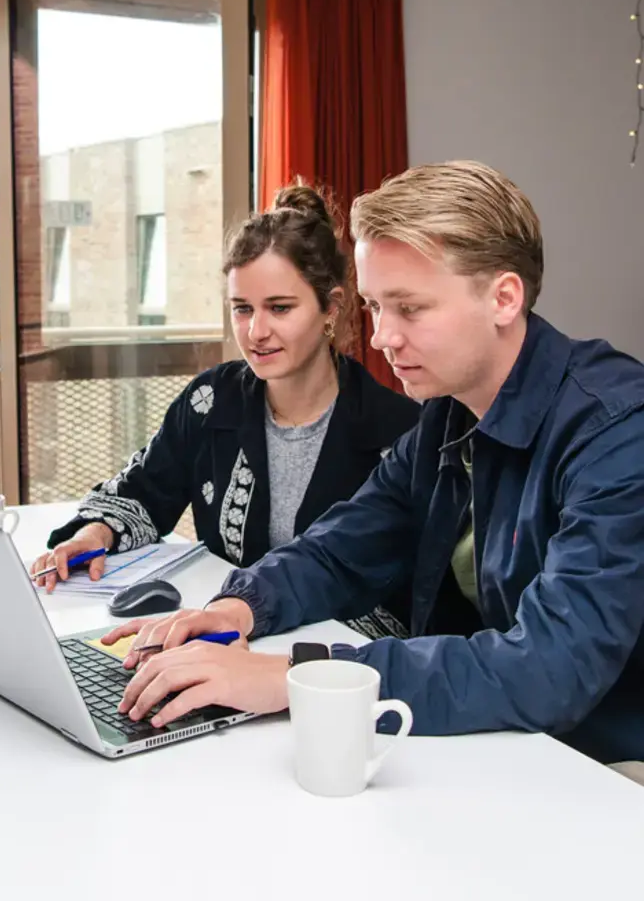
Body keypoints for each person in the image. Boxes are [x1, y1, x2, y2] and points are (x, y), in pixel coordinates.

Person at [100, 160, 644, 767]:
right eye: (376, 307)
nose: (382, 337)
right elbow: (341, 546)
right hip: (515, 742)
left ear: (504, 298)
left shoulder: (616, 432)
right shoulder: (450, 413)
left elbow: (552, 666)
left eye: (409, 309)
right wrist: (236, 607)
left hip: (609, 767)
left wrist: (293, 679)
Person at [31, 184, 419, 639]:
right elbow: (142, 489)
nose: (256, 331)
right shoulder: (211, 400)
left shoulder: (399, 432)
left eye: (279, 308)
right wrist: (93, 535)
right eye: (242, 309)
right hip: (222, 638)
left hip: (333, 666)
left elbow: (400, 602)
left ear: (330, 309)